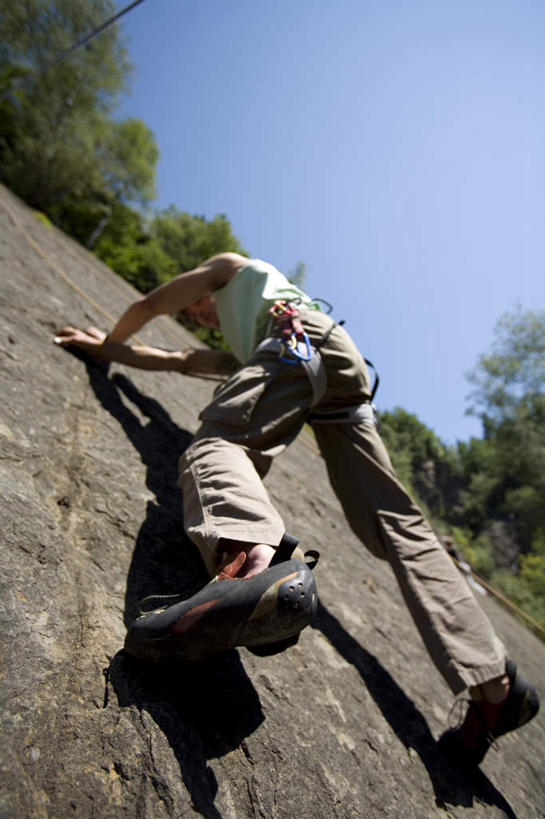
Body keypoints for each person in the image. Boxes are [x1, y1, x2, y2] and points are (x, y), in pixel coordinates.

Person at [55, 252, 539, 767]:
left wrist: (108, 346)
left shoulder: (231, 270)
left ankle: (249, 560)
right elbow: (175, 360)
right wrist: (114, 357)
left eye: (199, 306)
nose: (199, 314)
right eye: (197, 315)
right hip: (339, 379)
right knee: (397, 526)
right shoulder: (244, 346)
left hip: (297, 340)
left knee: (216, 445)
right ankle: (496, 685)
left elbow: (151, 304)